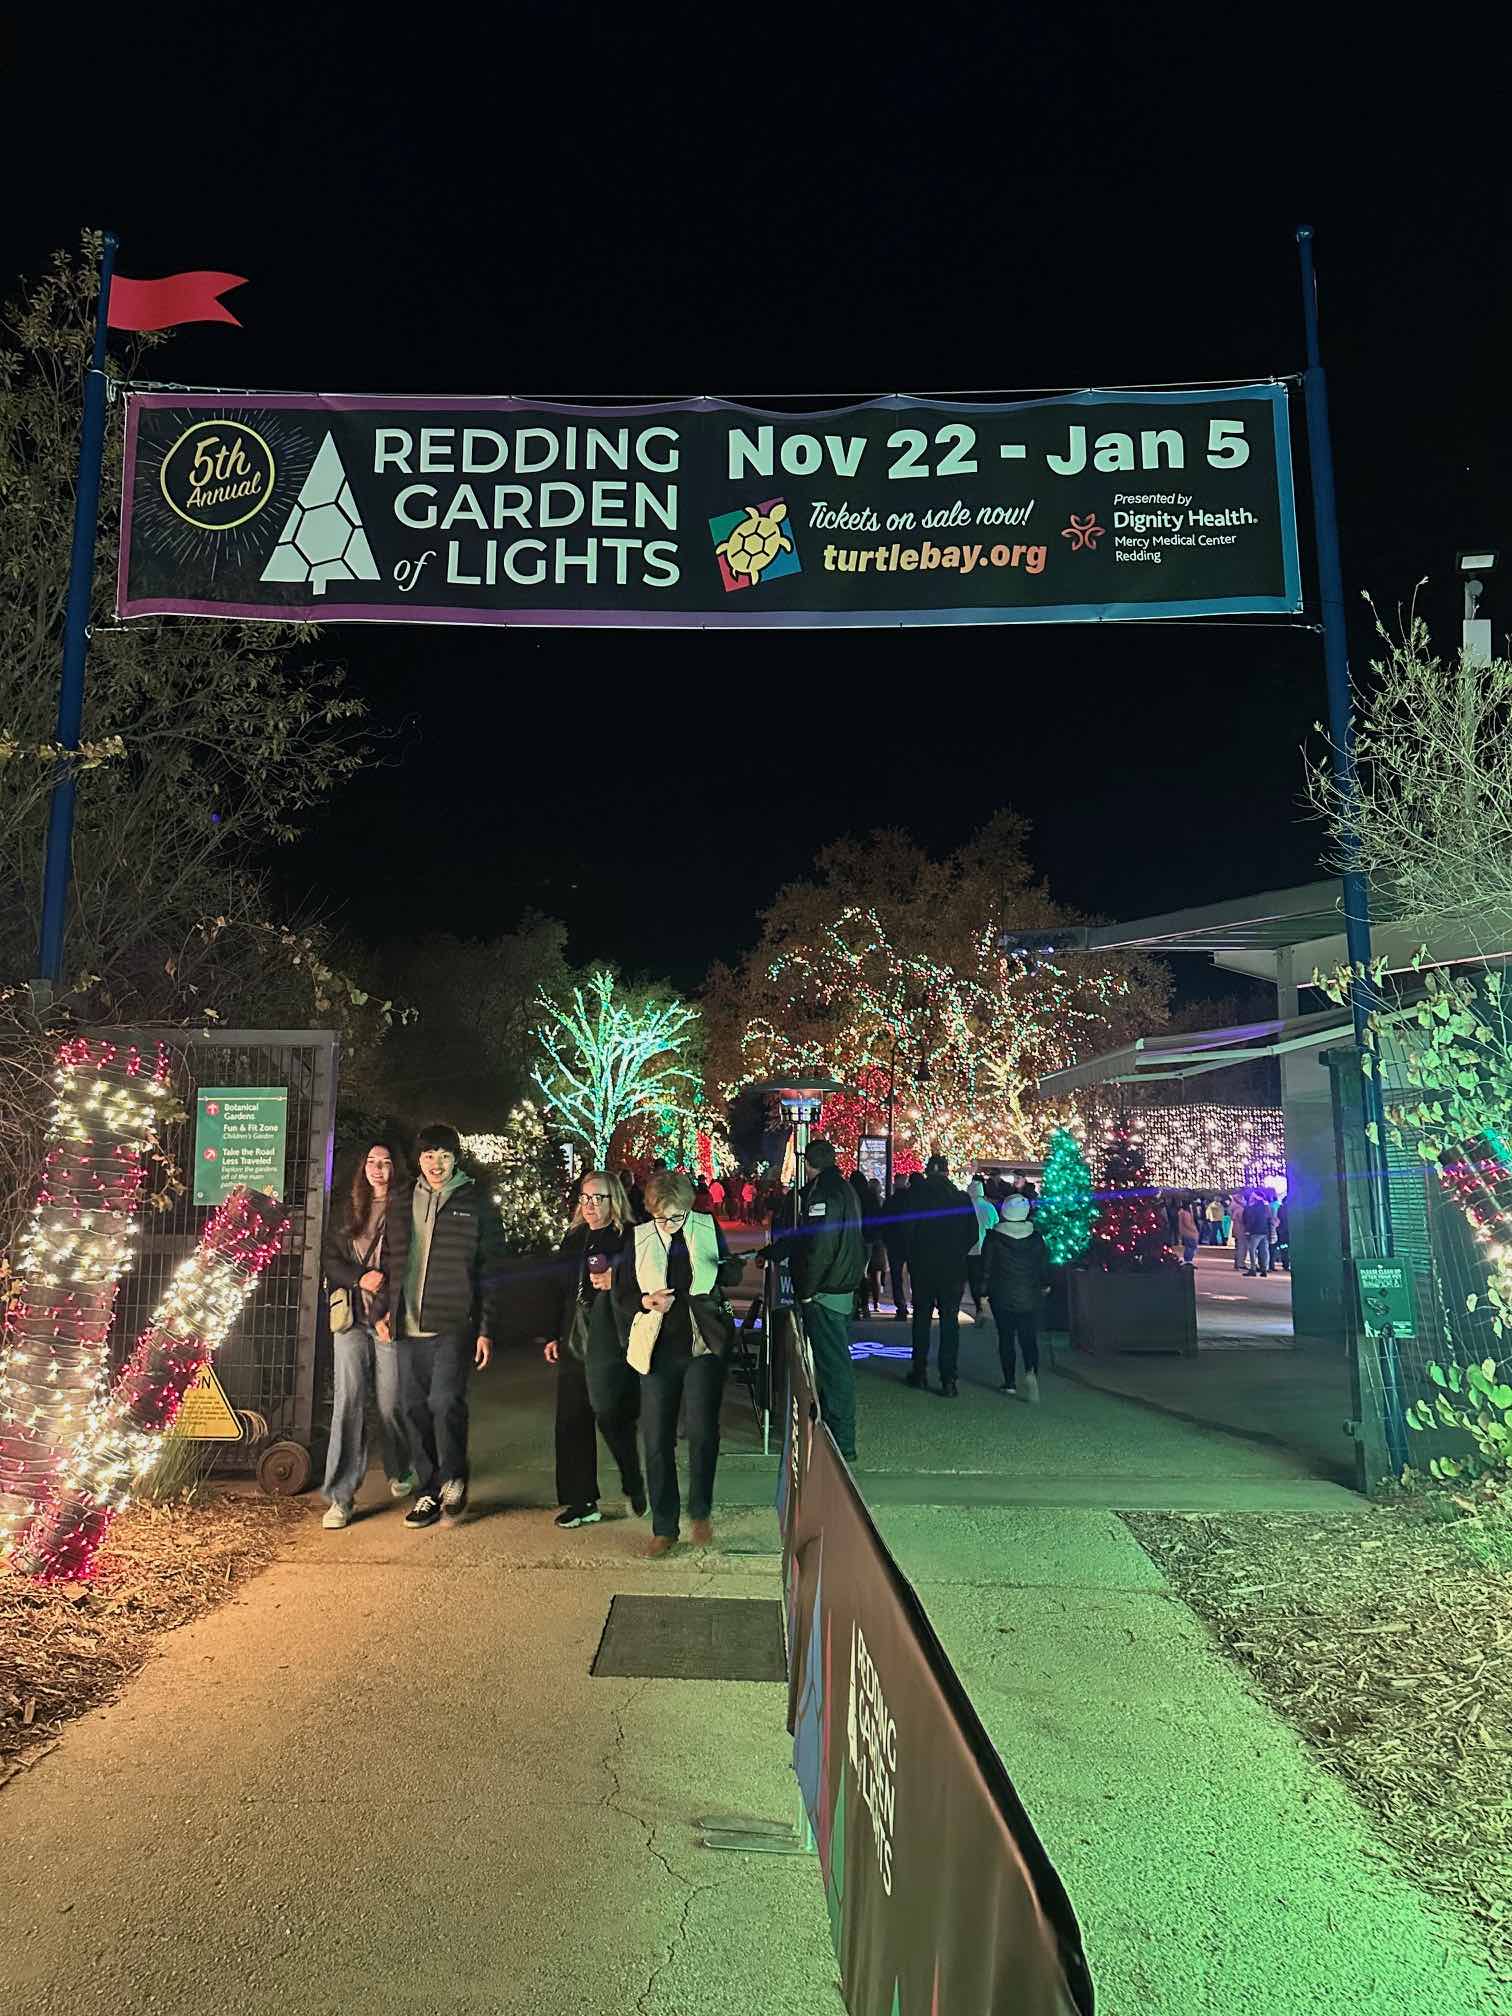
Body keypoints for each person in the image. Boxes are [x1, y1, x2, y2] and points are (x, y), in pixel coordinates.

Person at [379, 1124, 506, 1530]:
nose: (437, 1164)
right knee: (411, 1408)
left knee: (445, 1402)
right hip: (406, 1322)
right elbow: (390, 1259)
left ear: (456, 1159)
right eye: (430, 1155)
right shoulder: (401, 1200)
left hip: (453, 1321)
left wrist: (486, 1327)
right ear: (419, 1160)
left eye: (445, 1156)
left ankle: (453, 1477)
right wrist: (385, 1310)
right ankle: (428, 1491)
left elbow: (491, 1269)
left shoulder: (476, 1202)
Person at [613, 1169, 744, 1556]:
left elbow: (726, 1271)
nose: (669, 1224)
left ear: (688, 1208)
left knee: (704, 1433)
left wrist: (730, 1267)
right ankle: (664, 1525)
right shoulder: (638, 1238)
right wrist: (645, 1301)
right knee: (656, 1438)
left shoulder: (705, 1226)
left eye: (676, 1216)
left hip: (701, 1344)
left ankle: (700, 1510)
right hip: (657, 1349)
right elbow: (621, 1294)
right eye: (661, 1217)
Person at [320, 1141, 414, 1529]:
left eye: (386, 1162)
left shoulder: (406, 1207)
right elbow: (329, 1259)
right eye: (372, 1162)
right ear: (362, 1167)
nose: (379, 1169)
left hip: (388, 1315)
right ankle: (340, 1496)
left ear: (396, 1168)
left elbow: (408, 1261)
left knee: (392, 1402)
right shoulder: (346, 1206)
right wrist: (360, 1277)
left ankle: (398, 1466)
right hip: (349, 1319)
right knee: (350, 1401)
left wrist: (384, 1307)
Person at [543, 1171, 645, 1530]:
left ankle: (633, 1479)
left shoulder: (630, 1236)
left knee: (612, 1416)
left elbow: (651, 1280)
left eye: (598, 1198)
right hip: (576, 1337)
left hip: (611, 1340)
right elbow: (558, 1290)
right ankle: (581, 1499)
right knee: (570, 1420)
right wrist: (552, 1335)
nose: (590, 1205)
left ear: (614, 1199)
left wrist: (619, 1281)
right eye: (585, 1198)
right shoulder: (574, 1238)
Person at [788, 1139, 867, 1464]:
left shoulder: (823, 1194)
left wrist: (806, 1288)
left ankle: (841, 1440)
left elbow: (819, 1246)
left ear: (809, 1163)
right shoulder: (845, 1189)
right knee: (835, 1363)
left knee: (833, 1366)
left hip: (826, 1291)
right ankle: (838, 1434)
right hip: (842, 1285)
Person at [904, 1156, 978, 1398]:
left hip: (923, 1267)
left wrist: (913, 1255)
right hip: (952, 1268)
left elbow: (907, 1232)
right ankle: (948, 1378)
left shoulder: (916, 1199)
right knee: (949, 1323)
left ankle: (919, 1371)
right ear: (947, 1173)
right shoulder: (960, 1199)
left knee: (922, 1319)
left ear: (927, 1173)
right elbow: (972, 1235)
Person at [984, 1195, 1050, 1402]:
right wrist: (1044, 1285)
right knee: (1029, 1338)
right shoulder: (1036, 1238)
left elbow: (986, 1268)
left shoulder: (994, 1238)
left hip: (1001, 1295)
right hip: (1029, 1295)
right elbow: (1043, 1267)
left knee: (1006, 1338)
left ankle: (1009, 1381)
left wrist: (982, 1294)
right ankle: (1031, 1372)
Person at [877, 1178, 912, 1321]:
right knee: (914, 1275)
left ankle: (901, 1306)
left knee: (896, 1278)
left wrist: (886, 1240)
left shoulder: (890, 1201)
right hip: (910, 1243)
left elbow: (884, 1223)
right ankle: (916, 1302)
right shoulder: (911, 1201)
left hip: (894, 1243)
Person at [966, 1178, 998, 1316]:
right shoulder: (989, 1207)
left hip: (971, 1249)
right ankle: (986, 1300)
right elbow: (996, 1223)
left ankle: (978, 1305)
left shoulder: (966, 1207)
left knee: (973, 1279)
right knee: (985, 1276)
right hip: (987, 1248)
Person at [1241, 1191, 1272, 1278]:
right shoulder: (1266, 1207)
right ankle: (1264, 1269)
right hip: (1264, 1231)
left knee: (1252, 1250)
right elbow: (1270, 1219)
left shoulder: (1251, 1208)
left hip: (1255, 1231)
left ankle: (1253, 1269)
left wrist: (1247, 1230)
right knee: (1264, 1251)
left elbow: (1250, 1220)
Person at [1176, 1197, 1199, 1267]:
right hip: (1190, 1233)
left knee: (1188, 1247)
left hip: (1185, 1232)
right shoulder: (1186, 1213)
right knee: (1191, 1247)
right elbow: (1188, 1224)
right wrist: (1195, 1229)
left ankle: (1187, 1260)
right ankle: (1188, 1260)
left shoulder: (1181, 1213)